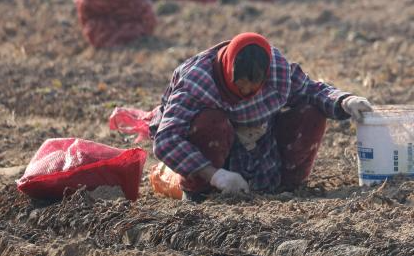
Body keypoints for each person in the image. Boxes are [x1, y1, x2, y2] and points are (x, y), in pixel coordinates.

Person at [150, 32, 371, 200]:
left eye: (253, 88)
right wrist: (215, 174)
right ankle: (201, 192)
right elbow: (166, 139)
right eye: (240, 86)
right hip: (214, 153)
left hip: (263, 148)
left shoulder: (277, 70)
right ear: (228, 71)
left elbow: (311, 90)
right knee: (211, 122)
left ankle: (287, 186)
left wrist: (344, 101)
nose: (246, 93)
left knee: (311, 113)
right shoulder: (197, 81)